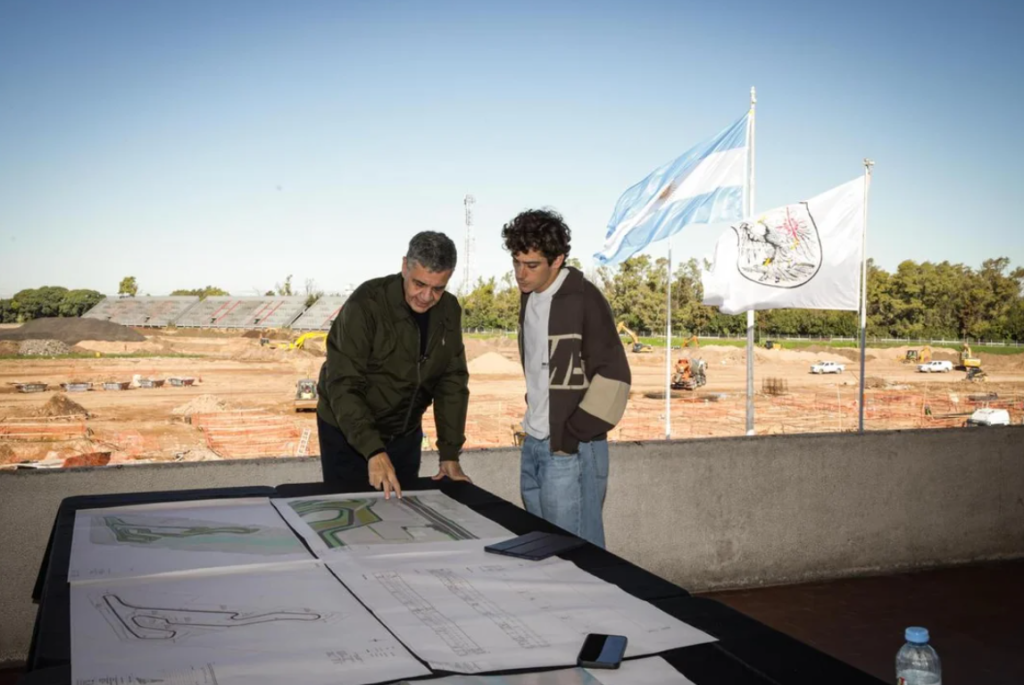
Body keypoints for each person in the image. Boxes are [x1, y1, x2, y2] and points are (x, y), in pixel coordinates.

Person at [502, 209, 631, 547]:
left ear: (557, 260)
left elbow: (615, 376)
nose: (520, 274)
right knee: (543, 549)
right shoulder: (529, 298)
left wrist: (571, 436)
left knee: (576, 555)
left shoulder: (584, 299)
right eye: (516, 262)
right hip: (534, 441)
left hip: (570, 448)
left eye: (531, 266)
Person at [317, 231, 472, 498]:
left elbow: (452, 382)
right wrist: (373, 450)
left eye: (438, 288)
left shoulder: (449, 310)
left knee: (398, 519)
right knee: (352, 517)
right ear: (404, 266)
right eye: (419, 284)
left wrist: (449, 454)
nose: (426, 297)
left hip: (404, 433)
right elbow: (344, 384)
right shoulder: (366, 304)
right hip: (348, 433)